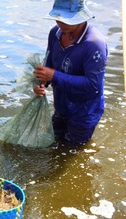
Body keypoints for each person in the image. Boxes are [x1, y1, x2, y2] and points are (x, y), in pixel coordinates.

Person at [33, 0, 108, 146]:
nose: (60, 22)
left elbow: (93, 84)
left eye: (66, 19)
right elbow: (49, 63)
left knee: (69, 154)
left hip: (84, 113)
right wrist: (42, 83)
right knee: (53, 145)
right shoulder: (55, 33)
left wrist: (54, 75)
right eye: (58, 18)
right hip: (62, 106)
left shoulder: (94, 44)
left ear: (80, 17)